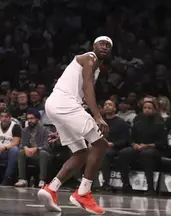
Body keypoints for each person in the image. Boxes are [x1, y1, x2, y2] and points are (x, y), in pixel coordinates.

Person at [38, 37, 113, 215]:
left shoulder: (95, 70)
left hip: (58, 106)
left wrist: (63, 125)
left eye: (108, 45)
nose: (104, 46)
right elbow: (88, 88)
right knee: (100, 144)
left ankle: (51, 188)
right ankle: (84, 193)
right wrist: (97, 117)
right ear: (93, 46)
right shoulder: (90, 58)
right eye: (101, 43)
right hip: (64, 104)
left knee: (81, 153)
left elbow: (81, 96)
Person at [116, 100, 166, 195]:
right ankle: (126, 185)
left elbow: (162, 142)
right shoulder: (138, 120)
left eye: (149, 108)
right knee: (123, 153)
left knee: (146, 154)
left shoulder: (160, 122)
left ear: (155, 110)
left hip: (154, 149)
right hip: (138, 147)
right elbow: (131, 138)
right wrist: (134, 144)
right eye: (145, 108)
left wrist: (148, 145)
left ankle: (150, 188)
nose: (147, 110)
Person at [15, 109, 53, 188]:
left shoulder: (45, 130)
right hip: (29, 152)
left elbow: (47, 146)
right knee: (21, 152)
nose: (30, 121)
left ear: (37, 119)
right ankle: (22, 179)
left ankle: (42, 180)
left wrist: (36, 148)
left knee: (43, 153)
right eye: (28, 119)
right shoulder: (25, 130)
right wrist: (25, 148)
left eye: (32, 118)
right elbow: (22, 143)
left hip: (41, 153)